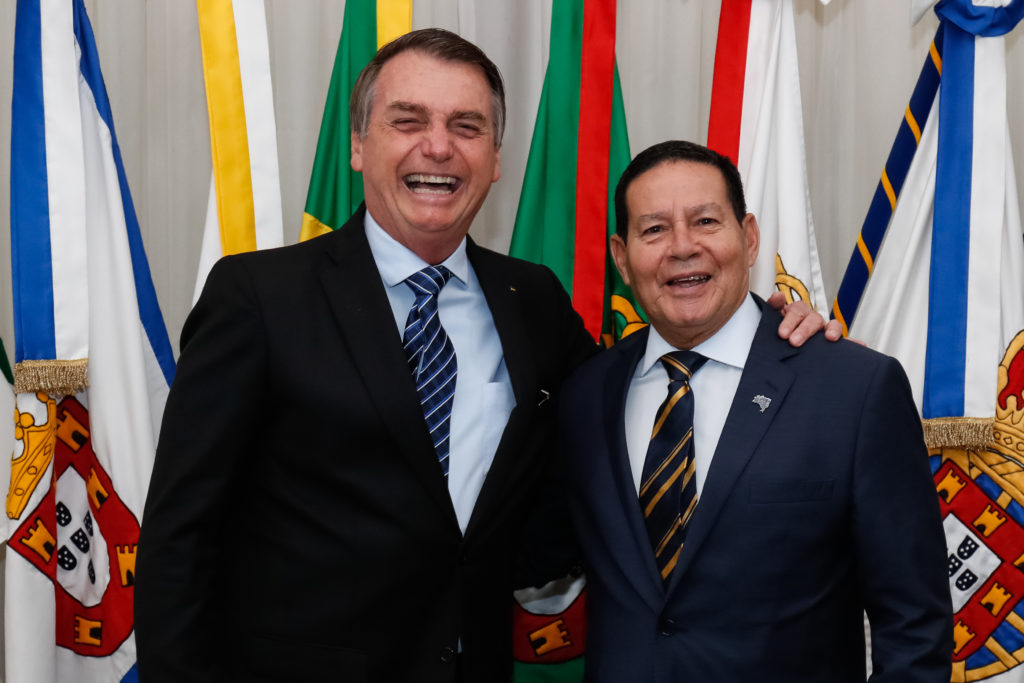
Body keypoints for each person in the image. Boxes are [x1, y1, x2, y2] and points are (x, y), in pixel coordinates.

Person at [134, 31, 836, 683]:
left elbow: (640, 394)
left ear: (496, 159)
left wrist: (776, 338)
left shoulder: (532, 300)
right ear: (358, 145)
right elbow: (179, 539)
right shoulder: (257, 296)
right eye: (408, 121)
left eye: (466, 127)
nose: (437, 148)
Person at [557, 139, 952, 682]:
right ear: (622, 258)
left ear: (748, 238)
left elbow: (914, 628)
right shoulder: (584, 396)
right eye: (654, 230)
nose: (682, 247)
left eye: (705, 221)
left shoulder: (853, 389)